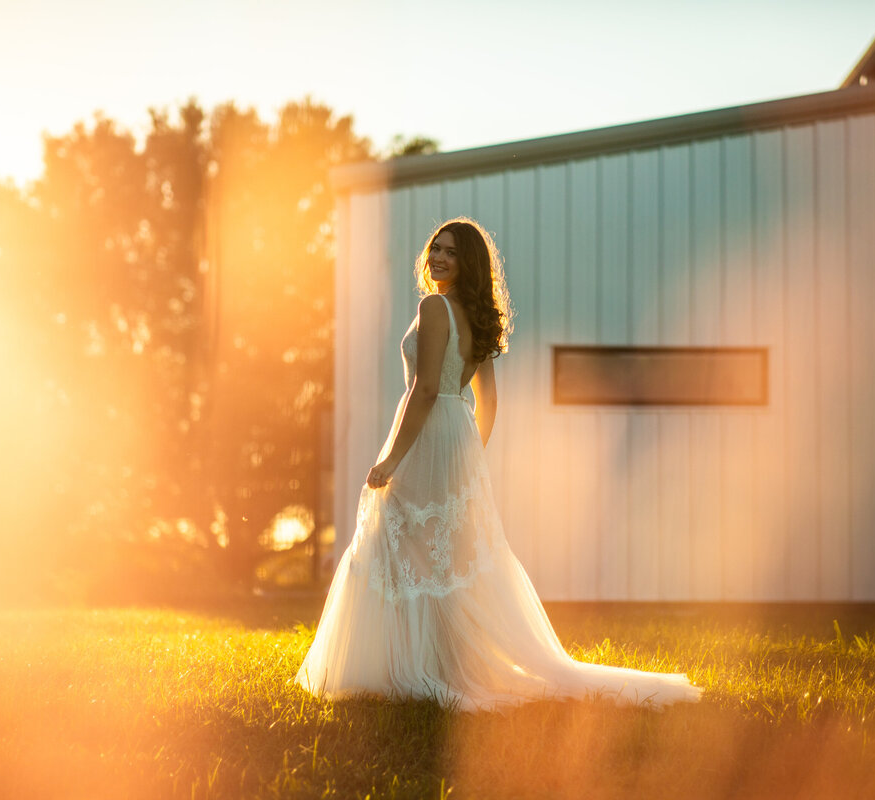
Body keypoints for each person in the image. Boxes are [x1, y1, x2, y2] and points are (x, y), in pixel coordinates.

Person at [295, 217, 703, 711]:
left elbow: (424, 390)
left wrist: (391, 460)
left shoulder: (433, 307)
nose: (438, 258)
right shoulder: (475, 314)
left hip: (427, 432)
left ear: (468, 262)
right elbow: (487, 401)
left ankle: (407, 666)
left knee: (399, 543)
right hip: (456, 435)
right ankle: (431, 660)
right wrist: (467, 455)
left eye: (450, 251)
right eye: (434, 249)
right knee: (439, 553)